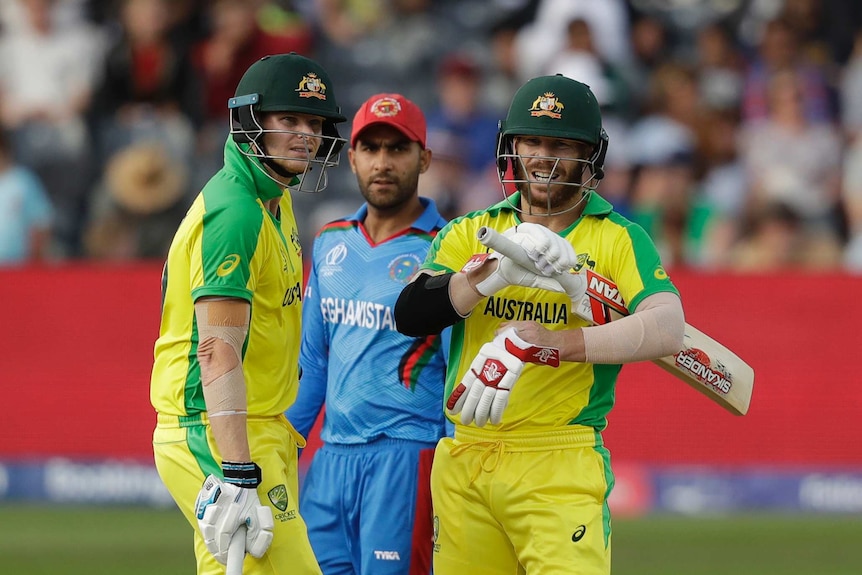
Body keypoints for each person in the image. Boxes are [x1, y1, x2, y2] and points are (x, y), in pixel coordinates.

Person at [394, 74, 686, 574]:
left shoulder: (619, 237)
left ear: (590, 156)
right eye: (531, 141)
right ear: (511, 146)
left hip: (561, 460)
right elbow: (410, 313)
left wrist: (556, 343)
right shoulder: (472, 231)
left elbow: (667, 328)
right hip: (466, 458)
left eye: (561, 144)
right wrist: (492, 277)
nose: (543, 158)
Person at [150, 52, 347, 575]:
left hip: (255, 426)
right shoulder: (237, 211)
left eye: (313, 123)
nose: (306, 134)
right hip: (218, 430)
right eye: (289, 120)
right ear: (250, 122)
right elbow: (216, 349)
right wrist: (238, 471)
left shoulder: (271, 200)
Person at [286, 93, 448, 575]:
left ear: (424, 158)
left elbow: (460, 368)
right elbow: (314, 361)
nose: (382, 163)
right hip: (331, 461)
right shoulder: (331, 241)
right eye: (371, 148)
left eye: (397, 149)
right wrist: (280, 451)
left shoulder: (448, 247)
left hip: (408, 459)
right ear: (351, 156)